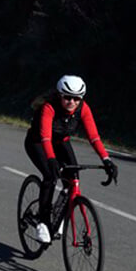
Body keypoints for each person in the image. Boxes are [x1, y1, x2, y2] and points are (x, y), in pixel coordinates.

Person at [24, 75, 118, 243]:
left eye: (76, 98)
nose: (72, 102)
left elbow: (94, 137)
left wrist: (106, 160)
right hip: (37, 142)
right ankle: (43, 223)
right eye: (67, 97)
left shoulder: (83, 109)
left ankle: (58, 214)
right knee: (50, 176)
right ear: (60, 95)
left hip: (61, 142)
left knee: (73, 178)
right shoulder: (49, 107)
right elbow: (45, 137)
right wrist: (51, 159)